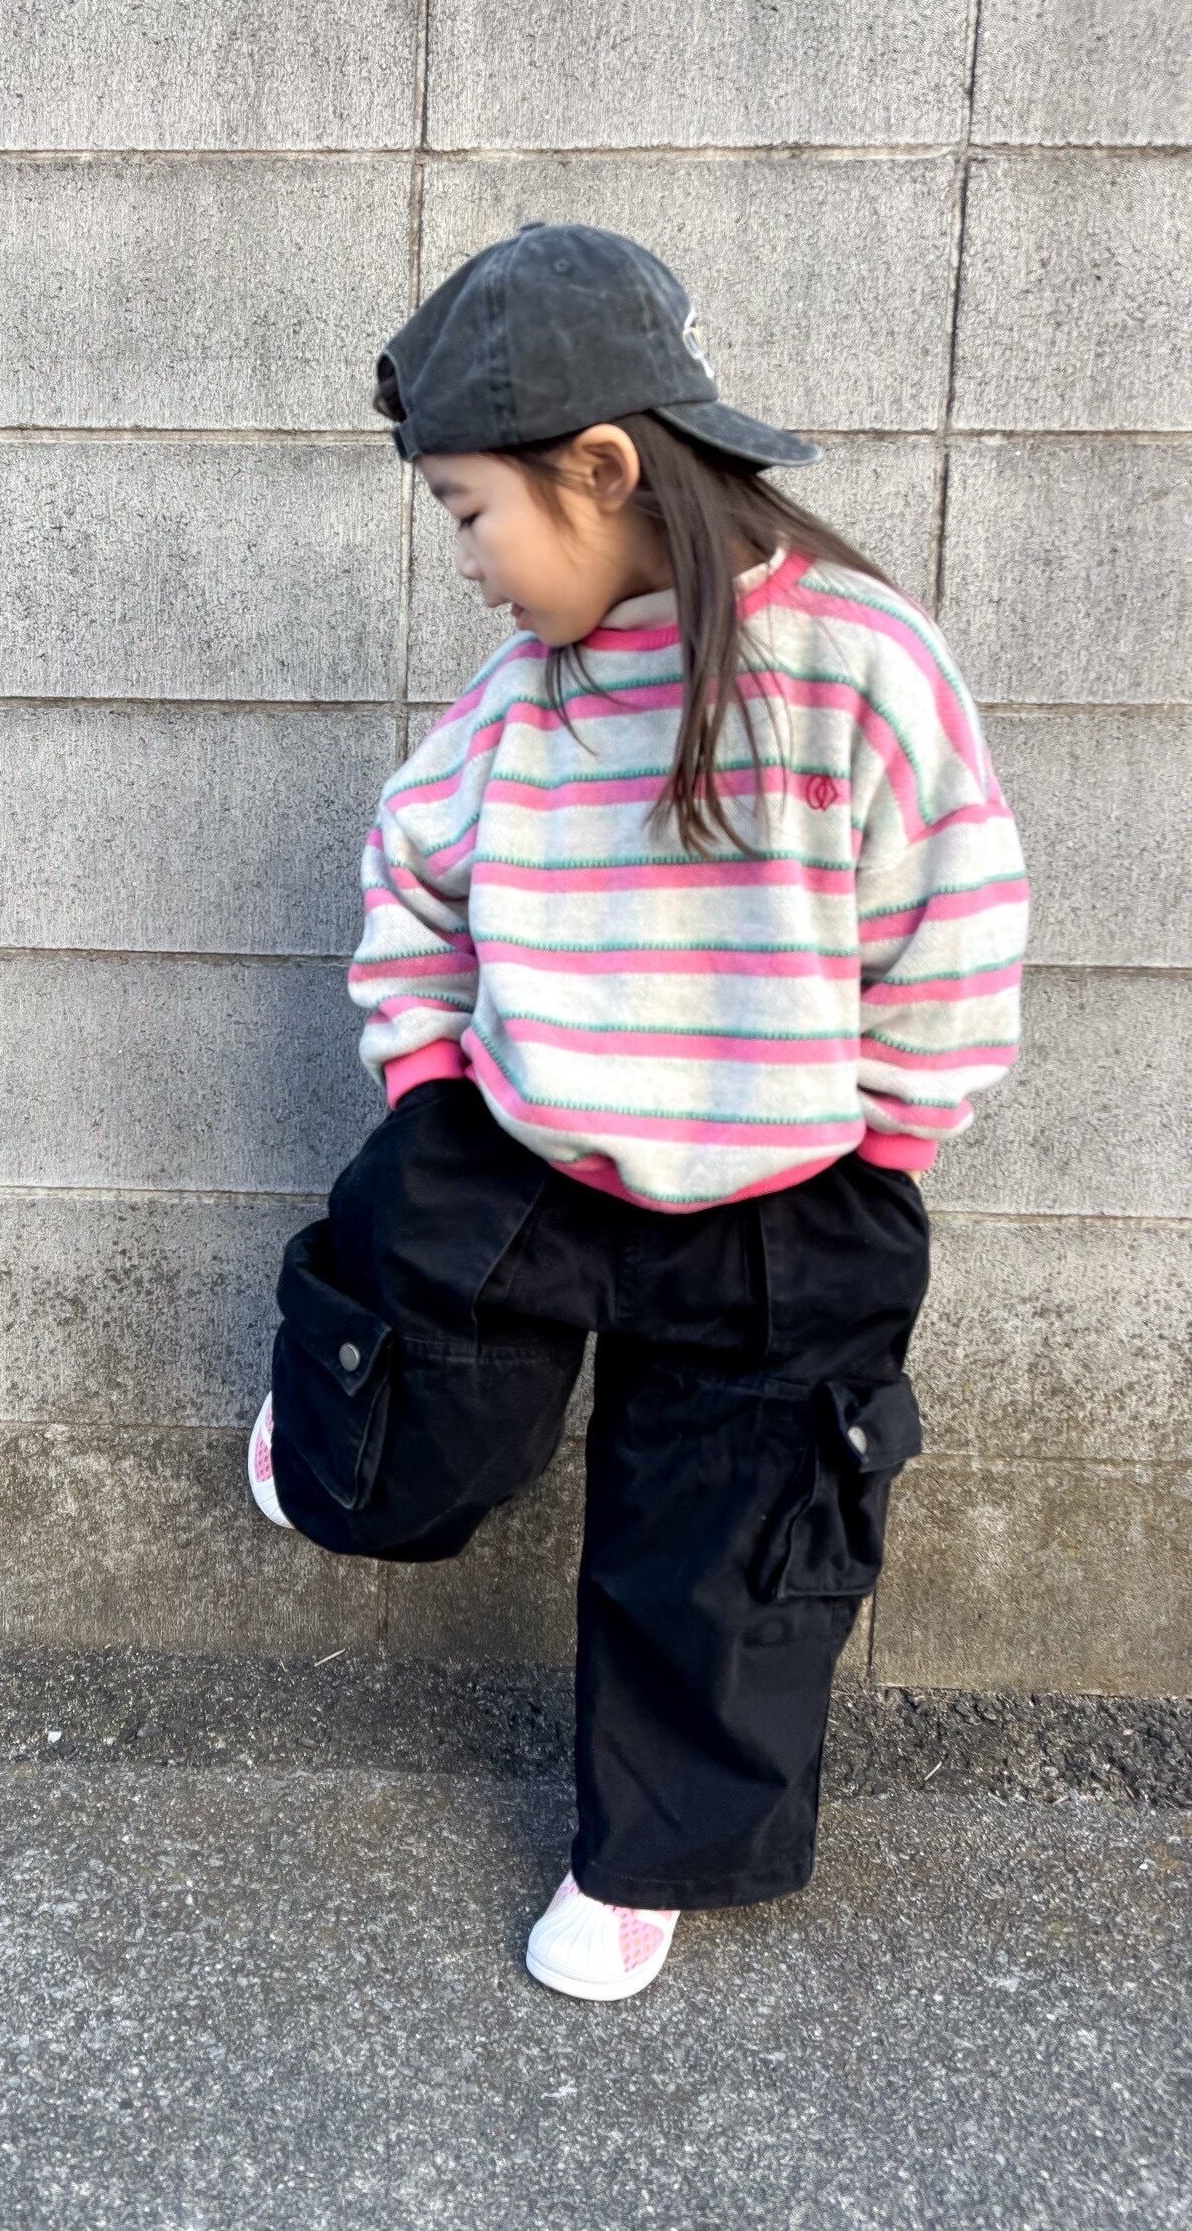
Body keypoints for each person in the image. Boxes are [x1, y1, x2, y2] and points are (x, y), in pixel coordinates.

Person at [245, 222, 1028, 2001]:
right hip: (521, 1149)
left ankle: (638, 1860)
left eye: (468, 512)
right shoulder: (527, 692)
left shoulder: (857, 663)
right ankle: (320, 1444)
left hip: (792, 1184)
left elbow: (953, 919)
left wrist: (891, 1134)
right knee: (406, 1419)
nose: (467, 562)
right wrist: (426, 1072)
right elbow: (411, 869)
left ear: (599, 468)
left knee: (725, 1551)